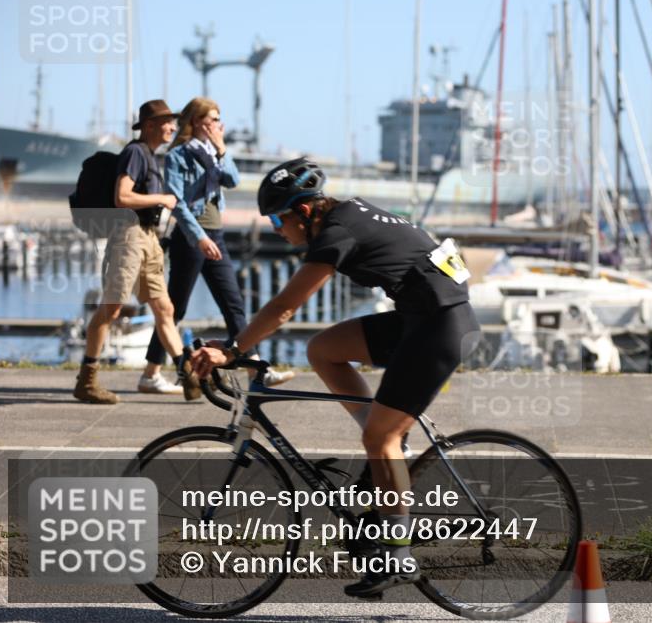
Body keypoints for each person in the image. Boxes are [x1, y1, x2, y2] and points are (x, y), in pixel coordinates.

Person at [192, 157, 480, 596]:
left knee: (379, 440)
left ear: (304, 212)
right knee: (322, 350)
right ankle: (384, 438)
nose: (274, 230)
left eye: (276, 219)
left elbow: (286, 307)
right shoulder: (348, 214)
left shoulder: (336, 233)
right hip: (423, 316)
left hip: (440, 325)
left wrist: (232, 350)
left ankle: (398, 553)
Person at [139, 97, 294, 393]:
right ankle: (150, 374)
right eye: (212, 119)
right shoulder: (179, 156)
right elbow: (177, 202)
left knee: (233, 303)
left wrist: (222, 148)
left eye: (219, 119)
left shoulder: (215, 152)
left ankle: (257, 369)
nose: (218, 125)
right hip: (192, 237)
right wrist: (199, 237)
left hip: (216, 234)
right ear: (197, 122)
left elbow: (232, 180)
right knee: (175, 308)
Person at [74, 100, 200, 404]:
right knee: (112, 309)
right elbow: (122, 196)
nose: (173, 127)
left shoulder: (151, 157)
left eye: (173, 122)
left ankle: (188, 373)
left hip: (148, 238)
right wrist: (163, 198)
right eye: (168, 122)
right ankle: (87, 380)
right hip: (128, 237)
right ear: (150, 125)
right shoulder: (135, 152)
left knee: (164, 309)